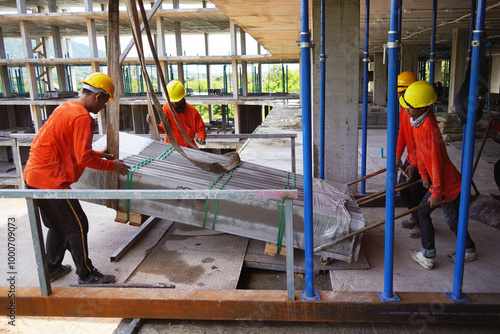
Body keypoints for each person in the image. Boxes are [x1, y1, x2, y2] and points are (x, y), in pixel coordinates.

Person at [23, 72, 130, 284]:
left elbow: (68, 146)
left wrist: (100, 154)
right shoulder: (82, 118)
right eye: (105, 102)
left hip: (35, 176)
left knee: (58, 224)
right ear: (98, 97)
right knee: (77, 225)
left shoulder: (67, 107)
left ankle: (52, 267)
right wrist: (112, 166)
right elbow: (83, 158)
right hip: (51, 181)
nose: (103, 108)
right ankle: (86, 274)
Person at [399, 81, 476, 270]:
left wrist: (435, 191)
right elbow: (423, 156)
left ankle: (428, 254)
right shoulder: (419, 122)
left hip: (446, 182)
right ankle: (468, 249)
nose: (406, 110)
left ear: (422, 106)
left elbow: (435, 162)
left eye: (410, 107)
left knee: (424, 213)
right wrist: (421, 173)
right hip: (439, 181)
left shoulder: (428, 128)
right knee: (452, 220)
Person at [395, 71, 429, 239]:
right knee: (403, 189)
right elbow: (402, 132)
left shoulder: (422, 115)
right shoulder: (405, 109)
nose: (400, 95)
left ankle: (421, 223)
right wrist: (397, 154)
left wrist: (416, 165)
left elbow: (425, 146)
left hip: (423, 160)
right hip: (412, 158)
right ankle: (414, 216)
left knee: (417, 192)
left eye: (402, 92)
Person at [146, 80, 206, 148]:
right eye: (172, 101)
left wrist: (201, 137)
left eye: (177, 101)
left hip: (188, 147)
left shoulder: (192, 112)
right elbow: (163, 129)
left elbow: (200, 128)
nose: (174, 103)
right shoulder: (166, 108)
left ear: (183, 97)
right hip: (170, 146)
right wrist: (152, 123)